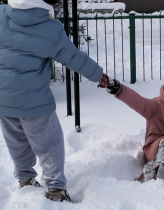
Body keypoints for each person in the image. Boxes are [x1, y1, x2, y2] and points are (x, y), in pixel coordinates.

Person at [0, 0, 104, 202]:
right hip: (35, 103)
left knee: (16, 143)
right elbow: (74, 58)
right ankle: (55, 188)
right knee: (49, 145)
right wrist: (100, 76)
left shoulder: (1, 14)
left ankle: (25, 179)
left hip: (4, 99)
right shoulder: (49, 29)